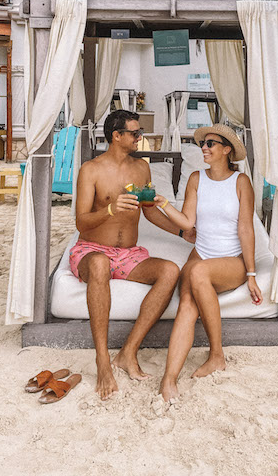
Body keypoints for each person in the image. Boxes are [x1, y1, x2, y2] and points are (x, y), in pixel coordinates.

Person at [73, 109, 192, 400]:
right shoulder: (91, 170)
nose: (141, 137)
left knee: (169, 271)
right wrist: (111, 209)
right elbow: (81, 222)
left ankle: (128, 352)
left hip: (129, 254)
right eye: (135, 133)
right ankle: (103, 361)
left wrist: (181, 232)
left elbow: (149, 214)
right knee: (100, 264)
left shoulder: (141, 169)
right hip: (92, 249)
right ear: (117, 135)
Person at [154, 124, 262, 401]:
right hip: (201, 253)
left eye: (211, 143)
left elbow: (246, 229)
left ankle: (217, 354)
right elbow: (188, 222)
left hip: (231, 261)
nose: (204, 147)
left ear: (227, 150)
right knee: (187, 304)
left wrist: (250, 273)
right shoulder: (195, 179)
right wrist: (164, 203)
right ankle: (169, 379)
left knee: (197, 271)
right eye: (202, 143)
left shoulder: (240, 182)